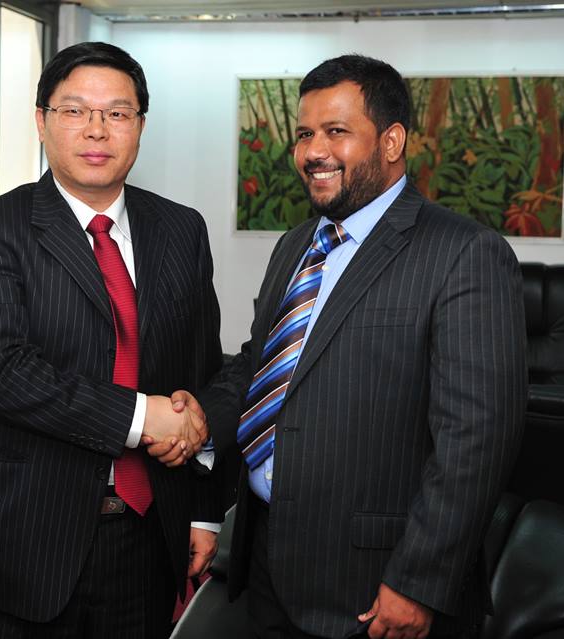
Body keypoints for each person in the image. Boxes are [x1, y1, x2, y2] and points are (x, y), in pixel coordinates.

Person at [192, 54, 527, 638]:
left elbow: (476, 440)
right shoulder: (296, 244)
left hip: (377, 580)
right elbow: (261, 367)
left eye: (336, 131)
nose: (313, 151)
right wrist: (196, 418)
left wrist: (418, 580)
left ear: (392, 141)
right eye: (304, 134)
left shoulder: (464, 252)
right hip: (268, 557)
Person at [0, 42, 223, 639]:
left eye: (117, 112)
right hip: (26, 535)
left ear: (140, 125)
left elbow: (202, 371)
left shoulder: (181, 228)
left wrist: (205, 511)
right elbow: (0, 371)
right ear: (42, 121)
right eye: (74, 110)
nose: (97, 129)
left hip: (150, 533)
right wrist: (142, 418)